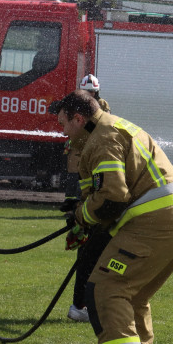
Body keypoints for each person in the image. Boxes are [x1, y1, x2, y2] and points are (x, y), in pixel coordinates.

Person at [50, 89, 173, 344]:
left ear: (79, 118)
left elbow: (113, 195)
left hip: (153, 224)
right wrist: (86, 212)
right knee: (134, 296)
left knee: (106, 288)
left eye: (64, 123)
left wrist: (82, 215)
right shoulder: (113, 128)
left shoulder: (102, 139)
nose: (62, 131)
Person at [60, 74, 110, 323]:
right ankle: (82, 305)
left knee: (93, 255)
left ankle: (85, 304)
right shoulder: (88, 124)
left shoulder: (100, 124)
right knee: (89, 255)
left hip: (93, 189)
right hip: (85, 186)